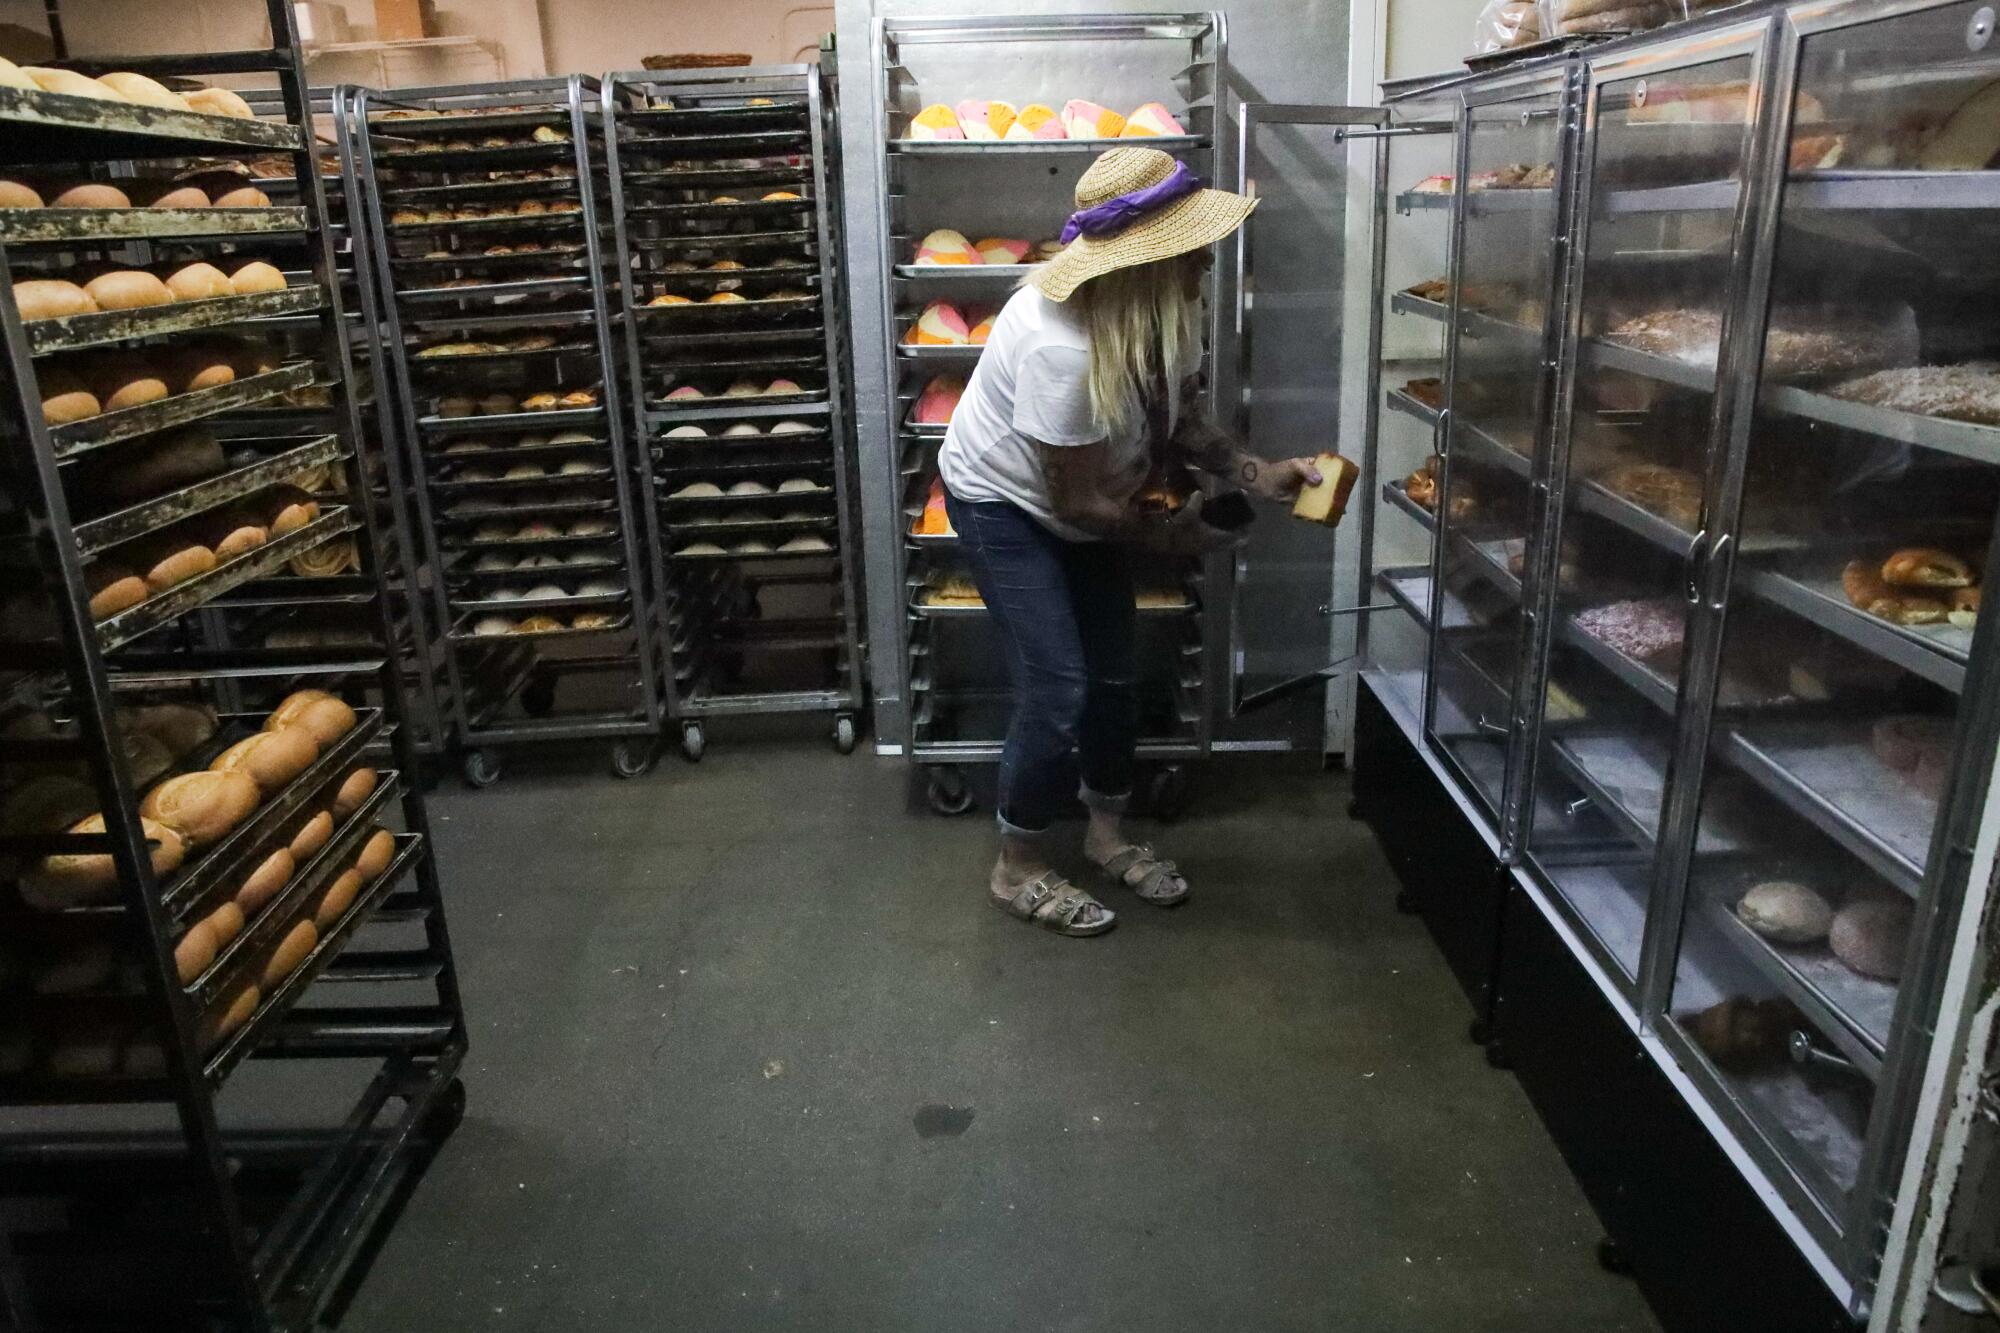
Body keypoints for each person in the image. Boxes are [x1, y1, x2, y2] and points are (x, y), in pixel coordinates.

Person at [937, 146, 1324, 939]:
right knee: (1057, 687)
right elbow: (1076, 505)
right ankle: (1017, 865)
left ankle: (1106, 832)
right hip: (1004, 503)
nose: (1207, 259)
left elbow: (1179, 419)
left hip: (1088, 497)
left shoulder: (1166, 311)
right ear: (1147, 261)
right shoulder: (1059, 347)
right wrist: (1179, 535)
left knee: (1112, 677)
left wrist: (1258, 472)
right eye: (1192, 245)